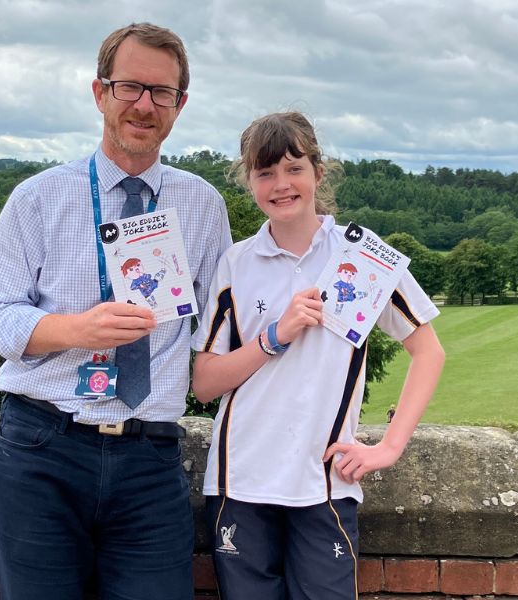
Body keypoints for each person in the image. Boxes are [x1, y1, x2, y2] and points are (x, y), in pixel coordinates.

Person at [0, 22, 231, 600]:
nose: (145, 104)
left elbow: (220, 329)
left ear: (179, 105)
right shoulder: (38, 198)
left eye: (161, 92)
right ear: (100, 93)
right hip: (43, 452)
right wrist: (77, 329)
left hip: (150, 458)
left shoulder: (204, 205)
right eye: (130, 87)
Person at [191, 112, 445, 600]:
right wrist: (274, 335)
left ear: (318, 173)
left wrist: (388, 448)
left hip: (325, 486)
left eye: (294, 169)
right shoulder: (235, 262)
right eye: (265, 173)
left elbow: (428, 352)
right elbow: (204, 383)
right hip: (238, 482)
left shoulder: (363, 256)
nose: (281, 185)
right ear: (248, 181)